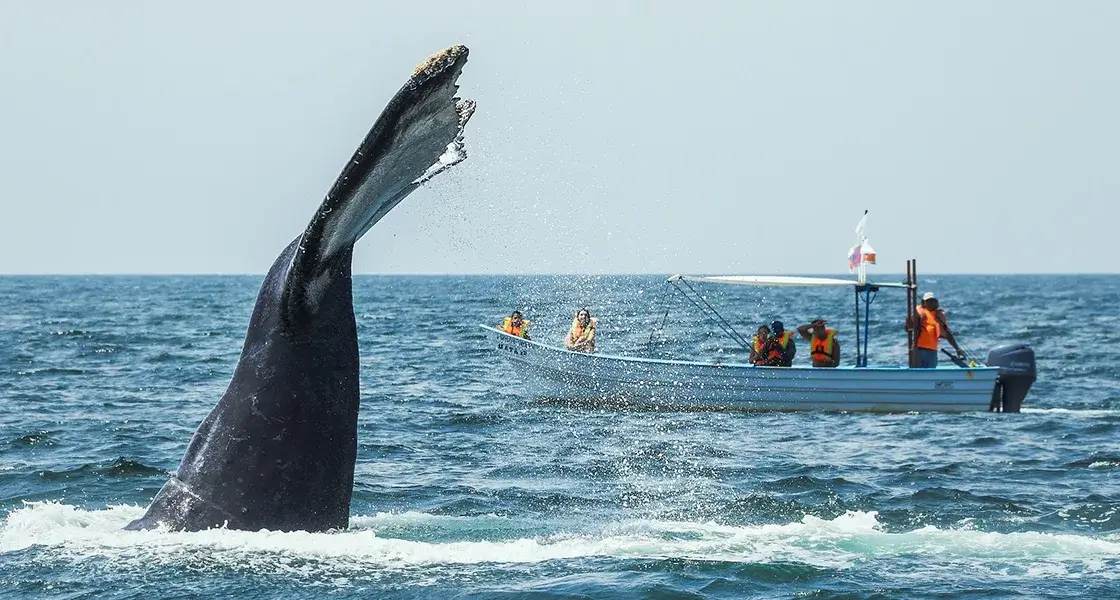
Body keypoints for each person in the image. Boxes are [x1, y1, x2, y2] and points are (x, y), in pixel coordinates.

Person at [907, 291, 964, 368]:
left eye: (933, 301)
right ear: (923, 303)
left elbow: (947, 333)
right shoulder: (920, 313)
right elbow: (908, 328)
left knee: (930, 374)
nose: (931, 303)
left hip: (932, 351)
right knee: (917, 373)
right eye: (928, 301)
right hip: (919, 350)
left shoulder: (938, 315)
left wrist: (957, 348)